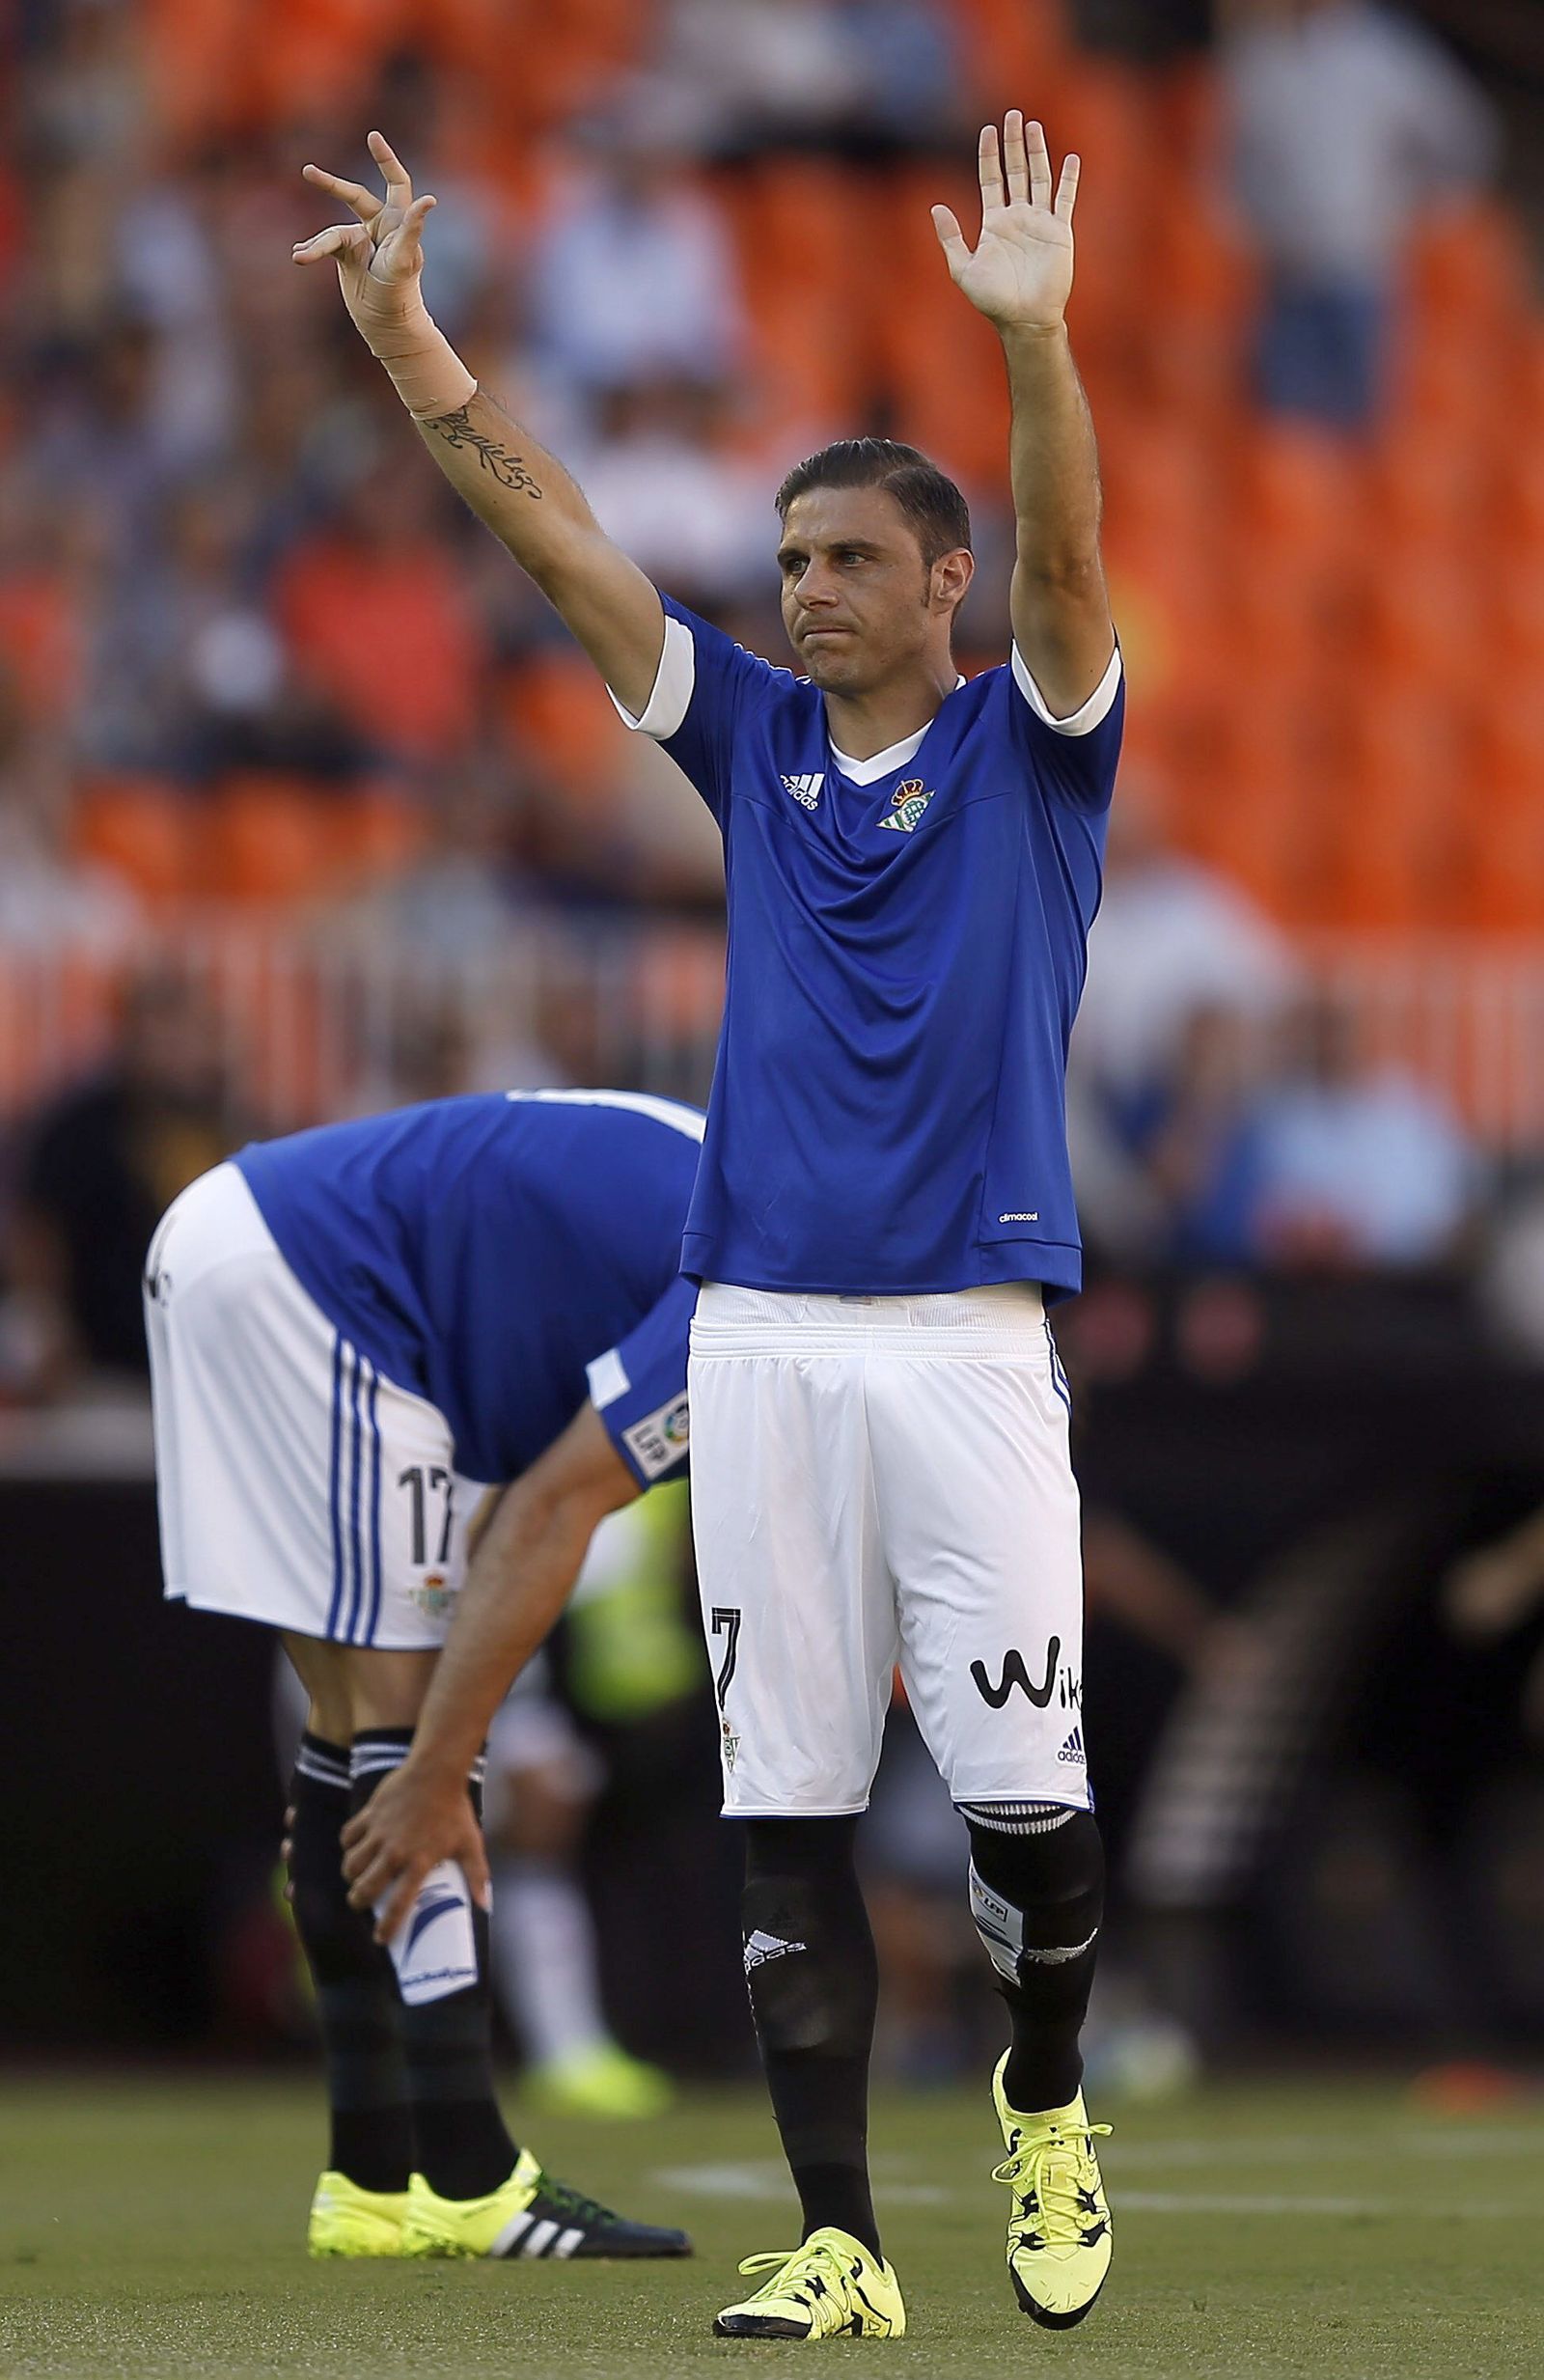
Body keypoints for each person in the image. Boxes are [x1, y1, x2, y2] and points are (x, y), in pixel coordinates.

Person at [302, 111, 1120, 2338]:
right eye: (787, 558)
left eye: (845, 559)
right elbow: (562, 547)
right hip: (755, 1328)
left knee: (1027, 1811)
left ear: (929, 582)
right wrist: (417, 358)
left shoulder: (1031, 754)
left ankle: (1045, 2099)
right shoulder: (744, 742)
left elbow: (1066, 567)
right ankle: (840, 2236)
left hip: (964, 1336)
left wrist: (1034, 351)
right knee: (785, 1799)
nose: (802, 589)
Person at [144, 1088, 702, 2261]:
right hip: (313, 1281)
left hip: (240, 1248)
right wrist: (443, 1768)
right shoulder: (762, 1274)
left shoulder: (716, 1180)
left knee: (354, 1740)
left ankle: (369, 2184)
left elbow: (515, 1495)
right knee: (405, 1740)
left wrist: (421, 1762)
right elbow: (553, 1509)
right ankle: (469, 2174)